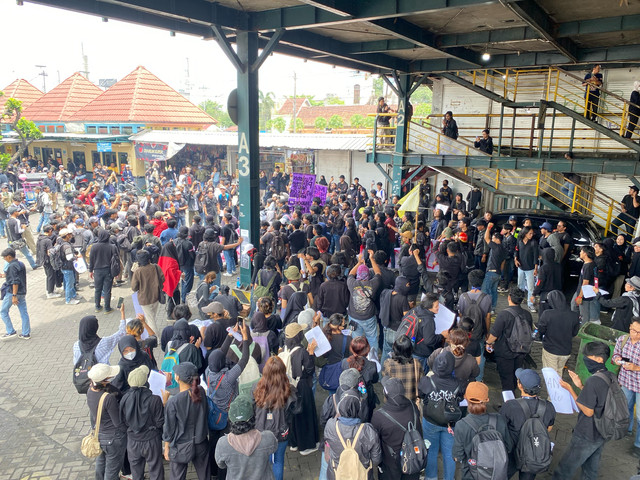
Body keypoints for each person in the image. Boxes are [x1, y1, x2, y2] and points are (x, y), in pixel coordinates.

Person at [553, 341, 614, 479]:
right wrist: (580, 386)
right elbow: (597, 399)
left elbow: (588, 411)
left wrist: (570, 390)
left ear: (599, 359)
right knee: (590, 471)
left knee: (564, 469)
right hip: (602, 432)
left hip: (587, 433)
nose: (585, 359)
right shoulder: (609, 376)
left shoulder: (593, 381)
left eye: (588, 356)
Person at [206, 322, 251, 479]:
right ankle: (222, 473)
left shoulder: (209, 372)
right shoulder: (227, 378)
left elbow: (219, 354)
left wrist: (230, 335)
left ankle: (211, 470)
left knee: (213, 444)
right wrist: (245, 339)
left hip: (212, 415)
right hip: (226, 418)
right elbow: (244, 359)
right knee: (226, 445)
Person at [500, 369, 555, 480]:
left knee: (503, 475)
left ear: (520, 385)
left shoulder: (510, 405)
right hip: (533, 452)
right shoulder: (549, 406)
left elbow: (501, 428)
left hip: (511, 450)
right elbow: (548, 428)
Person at [452, 382, 513, 480]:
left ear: (466, 399)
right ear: (487, 400)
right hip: (496, 474)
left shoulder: (461, 425)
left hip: (471, 475)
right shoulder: (499, 419)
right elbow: (508, 447)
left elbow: (457, 457)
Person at [254, 356, 300, 480]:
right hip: (282, 433)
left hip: (261, 432)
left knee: (264, 462)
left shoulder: (256, 387)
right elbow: (297, 410)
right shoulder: (289, 390)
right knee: (278, 461)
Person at [419, 350, 463, 480]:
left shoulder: (426, 381)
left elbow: (421, 395)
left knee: (430, 452)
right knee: (449, 454)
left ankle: (430, 477)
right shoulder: (459, 383)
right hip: (450, 423)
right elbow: (460, 398)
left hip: (430, 421)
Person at [162, 362, 210, 480]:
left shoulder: (173, 402)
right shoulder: (201, 392)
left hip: (180, 446)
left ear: (177, 378)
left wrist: (166, 447)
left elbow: (169, 428)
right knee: (204, 475)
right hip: (201, 441)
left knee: (177, 476)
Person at [214, 395, 278, 480]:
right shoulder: (268, 438)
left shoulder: (222, 444)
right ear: (253, 417)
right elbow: (274, 448)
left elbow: (221, 465)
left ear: (230, 419)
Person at [371, 376, 423, 480]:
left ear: (385, 393)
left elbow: (375, 441)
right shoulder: (413, 406)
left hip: (390, 464)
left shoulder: (379, 416)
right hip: (413, 459)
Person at [120, 365, 165, 480]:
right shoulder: (155, 399)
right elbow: (160, 423)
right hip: (151, 440)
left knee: (136, 472)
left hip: (133, 441)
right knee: (156, 470)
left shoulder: (124, 399)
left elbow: (123, 421)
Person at [324, 391, 382, 480]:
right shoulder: (368, 430)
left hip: (336, 474)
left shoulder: (331, 425)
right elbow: (376, 459)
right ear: (359, 409)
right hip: (362, 475)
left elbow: (328, 445)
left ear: (340, 407)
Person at [485, 286, 533, 392]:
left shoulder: (504, 314)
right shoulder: (527, 314)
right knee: (516, 376)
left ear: (509, 298)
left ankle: (509, 403)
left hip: (505, 352)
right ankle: (514, 393)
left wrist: (488, 343)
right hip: (521, 351)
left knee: (506, 379)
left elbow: (494, 334)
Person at [86, 363, 127, 480]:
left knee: (101, 463)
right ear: (104, 381)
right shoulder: (108, 398)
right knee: (112, 471)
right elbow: (117, 423)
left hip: (99, 435)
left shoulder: (90, 391)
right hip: (113, 439)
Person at [611, 319, 640, 457]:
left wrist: (636, 367)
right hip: (626, 381)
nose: (635, 334)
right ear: (629, 327)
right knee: (625, 407)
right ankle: (626, 429)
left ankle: (638, 444)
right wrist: (617, 359)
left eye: (639, 332)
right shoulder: (623, 339)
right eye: (633, 330)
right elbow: (616, 354)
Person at [536, 290, 579, 376]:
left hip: (551, 350)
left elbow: (541, 330)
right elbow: (574, 333)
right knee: (559, 373)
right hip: (566, 352)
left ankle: (553, 390)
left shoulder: (547, 314)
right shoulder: (574, 315)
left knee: (551, 377)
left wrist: (539, 336)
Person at [346, 254, 382, 350]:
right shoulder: (373, 283)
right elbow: (378, 272)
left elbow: (350, 273)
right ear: (368, 275)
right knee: (372, 338)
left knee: (356, 339)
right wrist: (372, 259)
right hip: (369, 316)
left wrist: (359, 263)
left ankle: (357, 356)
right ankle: (373, 358)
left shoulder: (352, 283)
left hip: (354, 317)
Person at [131, 250, 165, 334]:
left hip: (144, 299)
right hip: (156, 296)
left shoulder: (138, 271)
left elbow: (134, 288)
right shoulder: (156, 267)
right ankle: (146, 331)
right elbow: (163, 279)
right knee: (152, 316)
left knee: (151, 319)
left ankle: (156, 338)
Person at [382, 334, 424, 403]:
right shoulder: (417, 363)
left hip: (394, 401)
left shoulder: (388, 364)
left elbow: (386, 380)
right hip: (410, 402)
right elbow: (421, 380)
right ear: (410, 349)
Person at [0, 248, 31, 340]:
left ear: (9, 257)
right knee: (23, 312)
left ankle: (10, 331)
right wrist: (4, 275)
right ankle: (26, 333)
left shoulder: (11, 267)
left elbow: (15, 282)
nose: (4, 259)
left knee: (3, 311)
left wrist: (14, 296)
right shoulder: (21, 264)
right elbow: (17, 276)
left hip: (13, 293)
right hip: (22, 292)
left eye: (4, 257)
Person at [89, 228, 118, 314]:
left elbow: (91, 260)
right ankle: (107, 308)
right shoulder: (112, 246)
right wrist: (117, 272)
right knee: (107, 290)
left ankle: (97, 307)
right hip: (108, 271)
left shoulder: (94, 246)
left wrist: (90, 271)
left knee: (97, 289)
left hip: (97, 271)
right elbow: (116, 260)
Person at [481, 223, 507, 312]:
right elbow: (503, 263)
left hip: (491, 272)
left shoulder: (496, 247)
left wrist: (488, 228)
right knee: (494, 291)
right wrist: (500, 272)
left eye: (493, 238)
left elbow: (486, 238)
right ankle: (492, 308)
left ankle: (487, 308)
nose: (492, 240)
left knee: (486, 290)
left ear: (497, 239)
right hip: (498, 273)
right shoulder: (503, 249)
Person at [572, 245, 600, 324]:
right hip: (584, 290)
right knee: (574, 305)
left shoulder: (588, 267)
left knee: (584, 313)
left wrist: (580, 296)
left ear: (585, 253)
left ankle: (583, 329)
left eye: (581, 251)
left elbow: (585, 283)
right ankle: (575, 322)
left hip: (585, 293)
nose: (580, 253)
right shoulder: (592, 263)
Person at [515, 226, 538, 313]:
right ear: (525, 233)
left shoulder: (533, 243)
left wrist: (536, 268)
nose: (531, 235)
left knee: (531, 287)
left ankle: (531, 304)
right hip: (521, 267)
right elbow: (516, 251)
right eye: (530, 233)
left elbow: (536, 256)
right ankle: (518, 301)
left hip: (530, 268)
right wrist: (515, 259)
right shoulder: (519, 241)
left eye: (532, 233)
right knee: (520, 285)